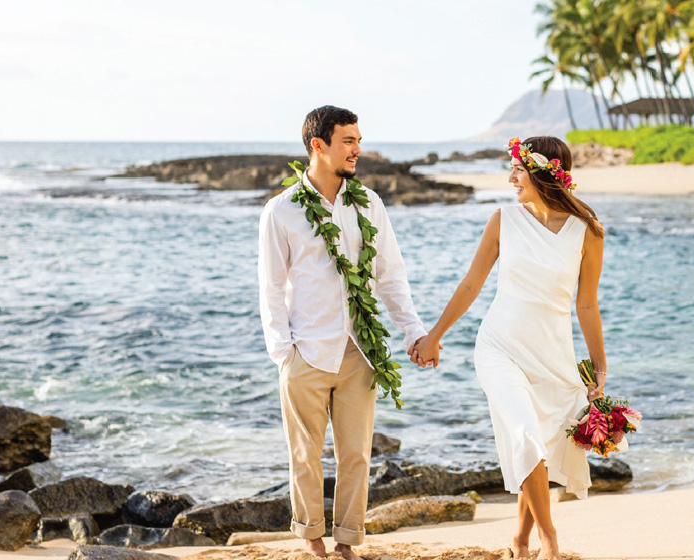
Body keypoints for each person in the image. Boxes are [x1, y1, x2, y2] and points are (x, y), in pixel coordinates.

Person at [411, 136, 608, 560]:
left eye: (519, 168)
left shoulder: (587, 232)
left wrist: (599, 370)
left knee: (536, 443)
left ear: (544, 173)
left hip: (552, 355)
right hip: (499, 347)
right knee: (524, 433)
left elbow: (587, 304)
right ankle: (549, 540)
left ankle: (519, 541)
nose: (511, 177)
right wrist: (435, 334)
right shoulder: (504, 220)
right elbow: (471, 284)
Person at [258, 105, 428, 560]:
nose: (358, 149)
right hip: (307, 351)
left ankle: (348, 541)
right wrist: (283, 354)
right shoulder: (281, 211)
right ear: (318, 145)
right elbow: (271, 287)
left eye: (358, 139)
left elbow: (391, 276)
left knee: (356, 455)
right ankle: (313, 540)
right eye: (348, 141)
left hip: (360, 349)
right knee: (305, 455)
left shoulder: (369, 203)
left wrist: (413, 332)